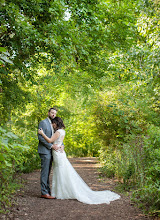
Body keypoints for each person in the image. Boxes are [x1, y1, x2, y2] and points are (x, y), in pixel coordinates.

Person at [38, 117, 121, 204]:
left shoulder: (58, 132)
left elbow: (50, 140)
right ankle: (61, 191)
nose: (52, 125)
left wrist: (42, 133)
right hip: (59, 152)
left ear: (56, 123)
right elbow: (59, 142)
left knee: (61, 171)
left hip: (58, 153)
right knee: (61, 171)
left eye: (53, 123)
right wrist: (61, 146)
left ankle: (62, 192)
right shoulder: (62, 131)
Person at [38, 107, 59, 199]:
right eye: (52, 113)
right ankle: (44, 192)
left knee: (48, 172)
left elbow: (55, 138)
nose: (53, 114)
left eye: (55, 113)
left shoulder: (53, 124)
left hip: (51, 152)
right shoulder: (43, 122)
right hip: (44, 151)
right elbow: (41, 137)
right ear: (48, 113)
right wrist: (50, 146)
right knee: (45, 172)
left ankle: (47, 190)